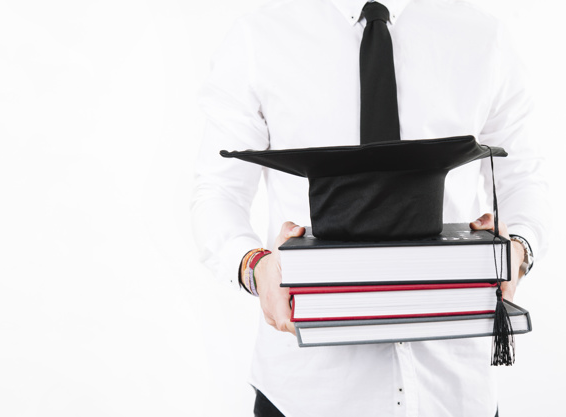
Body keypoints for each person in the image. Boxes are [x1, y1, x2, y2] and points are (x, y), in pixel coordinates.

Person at [191, 0, 549, 415]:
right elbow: (218, 191)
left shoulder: (482, 37)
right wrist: (254, 266)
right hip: (309, 389)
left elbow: (522, 177)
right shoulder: (260, 38)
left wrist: (519, 247)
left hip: (454, 387)